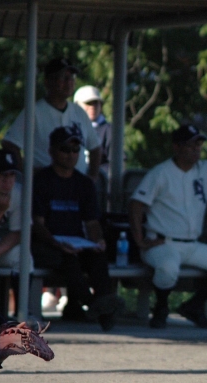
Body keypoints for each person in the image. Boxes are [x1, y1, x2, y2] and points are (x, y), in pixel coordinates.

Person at [128, 125, 207, 329]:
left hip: (191, 244)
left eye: (198, 145)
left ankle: (193, 306)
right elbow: (136, 205)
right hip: (162, 242)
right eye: (191, 145)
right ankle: (161, 308)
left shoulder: (206, 170)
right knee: (168, 267)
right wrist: (139, 240)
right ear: (177, 147)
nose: (196, 149)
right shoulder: (161, 172)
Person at [31, 125, 123, 332]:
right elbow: (37, 223)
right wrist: (57, 243)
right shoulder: (41, 181)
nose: (71, 154)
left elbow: (92, 222)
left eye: (75, 150)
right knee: (69, 260)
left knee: (98, 257)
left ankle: (101, 306)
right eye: (65, 149)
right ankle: (96, 306)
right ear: (52, 151)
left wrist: (97, 240)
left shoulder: (84, 183)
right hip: (48, 243)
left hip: (77, 242)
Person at [2, 57, 102, 181]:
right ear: (48, 82)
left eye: (71, 77)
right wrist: (26, 173)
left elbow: (95, 147)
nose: (69, 82)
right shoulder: (34, 112)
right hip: (44, 185)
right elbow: (10, 144)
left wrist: (92, 178)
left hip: (76, 185)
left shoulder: (78, 112)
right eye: (63, 78)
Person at [0, 149, 28, 276]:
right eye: (2, 175)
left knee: (23, 256)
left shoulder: (17, 193)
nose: (7, 181)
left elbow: (18, 233)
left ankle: (21, 291)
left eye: (11, 175)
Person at [74, 85, 114, 174]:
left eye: (96, 103)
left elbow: (117, 164)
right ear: (76, 105)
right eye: (88, 103)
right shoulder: (70, 128)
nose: (93, 106)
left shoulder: (109, 130)